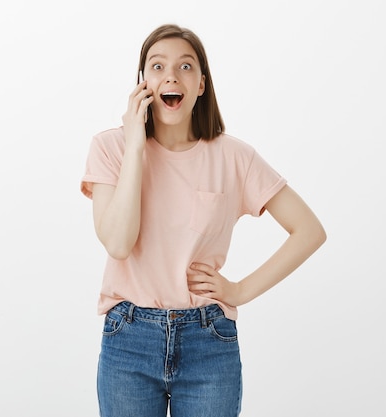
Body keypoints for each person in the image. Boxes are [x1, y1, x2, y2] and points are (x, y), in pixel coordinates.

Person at [80, 23, 326, 417]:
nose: (171, 76)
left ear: (201, 85)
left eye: (186, 67)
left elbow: (310, 231)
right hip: (128, 339)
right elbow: (118, 243)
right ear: (142, 84)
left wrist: (240, 290)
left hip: (208, 339)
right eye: (157, 67)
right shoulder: (110, 148)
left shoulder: (234, 156)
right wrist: (136, 145)